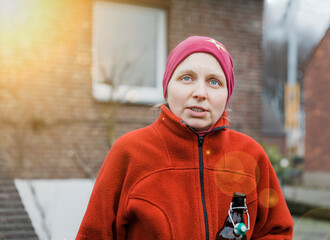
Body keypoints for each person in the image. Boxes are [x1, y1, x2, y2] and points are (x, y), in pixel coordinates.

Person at [76, 36, 293, 240]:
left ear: (227, 95)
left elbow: (278, 230)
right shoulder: (129, 152)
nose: (200, 92)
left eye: (214, 82)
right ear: (167, 88)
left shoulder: (251, 155)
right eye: (186, 78)